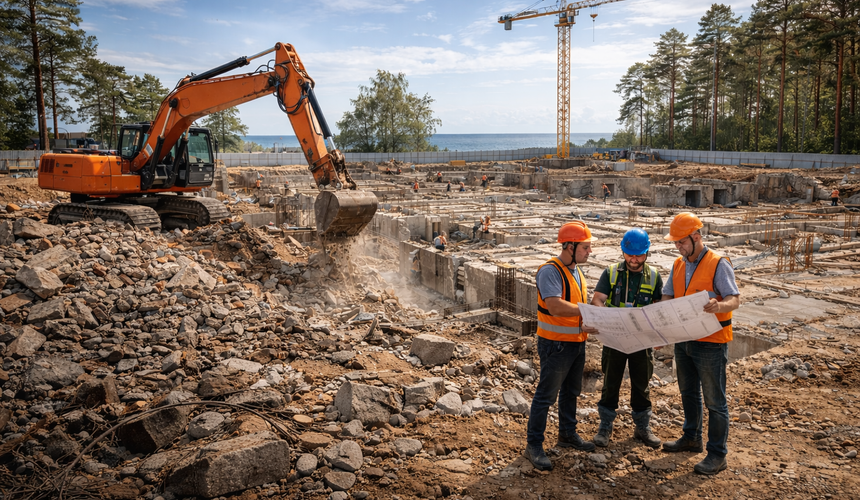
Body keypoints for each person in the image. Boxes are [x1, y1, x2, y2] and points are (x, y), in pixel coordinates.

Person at [661, 212, 740, 476]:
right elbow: (668, 297)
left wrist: (720, 305)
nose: (678, 247)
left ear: (696, 237)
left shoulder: (718, 264)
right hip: (684, 341)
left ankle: (717, 454)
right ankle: (691, 437)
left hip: (710, 344)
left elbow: (734, 299)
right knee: (688, 392)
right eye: (676, 243)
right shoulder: (678, 265)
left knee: (715, 400)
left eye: (682, 242)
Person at [525, 221, 599, 471]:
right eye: (586, 247)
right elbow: (555, 306)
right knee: (546, 396)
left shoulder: (575, 270)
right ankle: (534, 444)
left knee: (571, 392)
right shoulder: (550, 271)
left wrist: (587, 321)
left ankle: (567, 434)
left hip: (576, 343)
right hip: (555, 345)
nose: (590, 252)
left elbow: (574, 306)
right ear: (570, 246)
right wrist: (586, 311)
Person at [590, 228, 664, 449]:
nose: (634, 259)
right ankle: (605, 427)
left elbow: (660, 307)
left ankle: (642, 427)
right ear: (623, 252)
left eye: (639, 255)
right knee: (610, 382)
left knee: (642, 384)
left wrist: (658, 333)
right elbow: (597, 300)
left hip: (642, 341)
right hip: (615, 339)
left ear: (646, 253)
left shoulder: (654, 276)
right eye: (630, 254)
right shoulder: (611, 273)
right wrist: (608, 318)